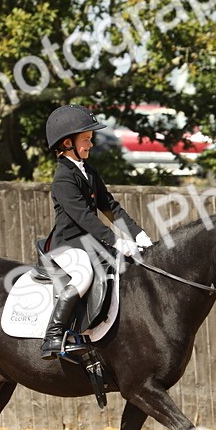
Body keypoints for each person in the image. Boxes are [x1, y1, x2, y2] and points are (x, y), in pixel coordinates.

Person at [40, 104, 153, 358]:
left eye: (91, 139)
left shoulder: (89, 172)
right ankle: (54, 335)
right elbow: (85, 218)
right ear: (67, 143)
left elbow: (110, 207)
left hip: (89, 242)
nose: (91, 144)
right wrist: (116, 240)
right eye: (86, 140)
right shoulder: (63, 179)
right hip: (68, 244)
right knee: (83, 275)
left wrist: (137, 234)